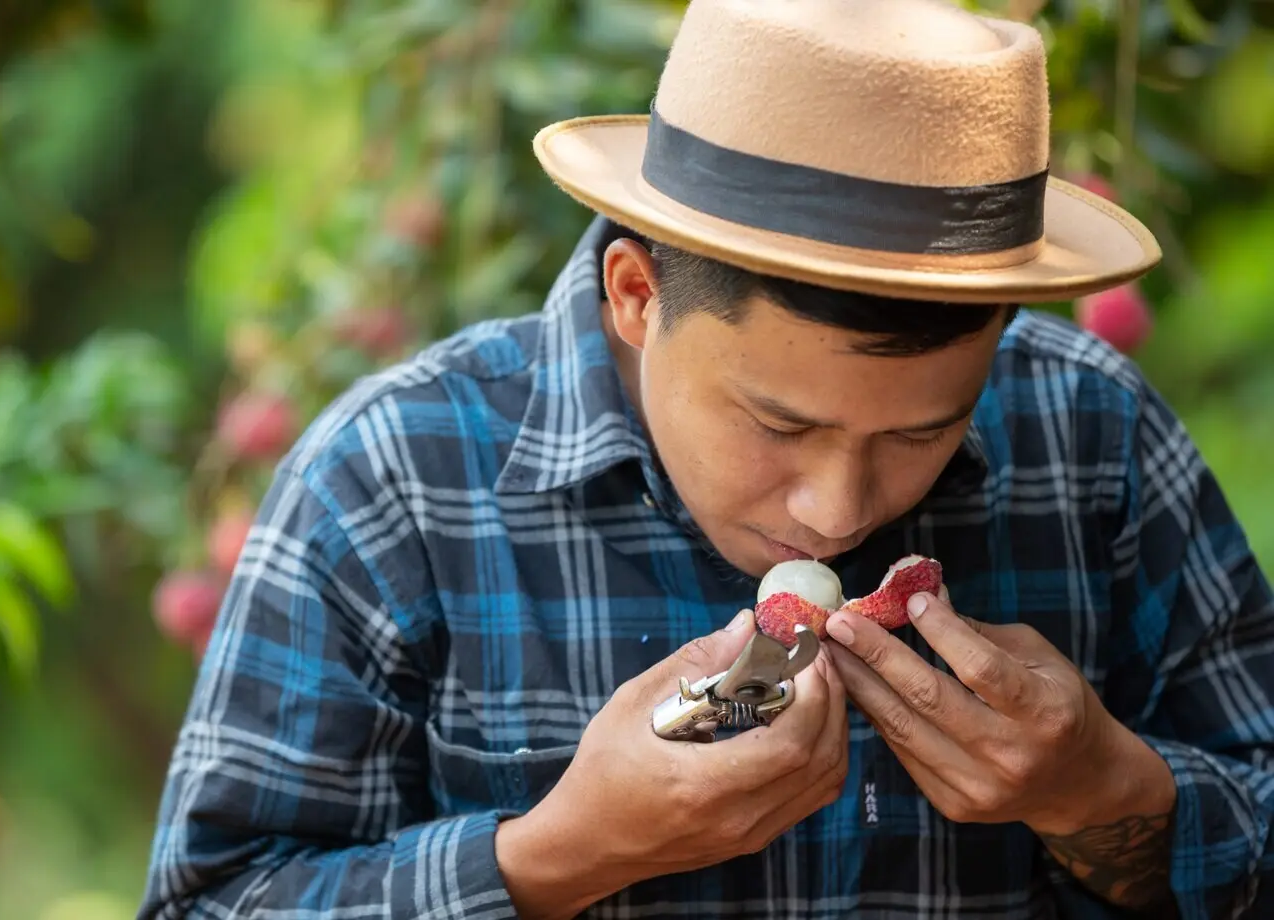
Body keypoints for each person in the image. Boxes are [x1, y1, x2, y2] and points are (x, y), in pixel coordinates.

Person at [136, 1, 1274, 918]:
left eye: (922, 433)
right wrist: (560, 852)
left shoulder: (1092, 438)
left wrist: (1103, 789)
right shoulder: (391, 481)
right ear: (638, 295)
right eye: (778, 425)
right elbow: (215, 899)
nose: (836, 510)